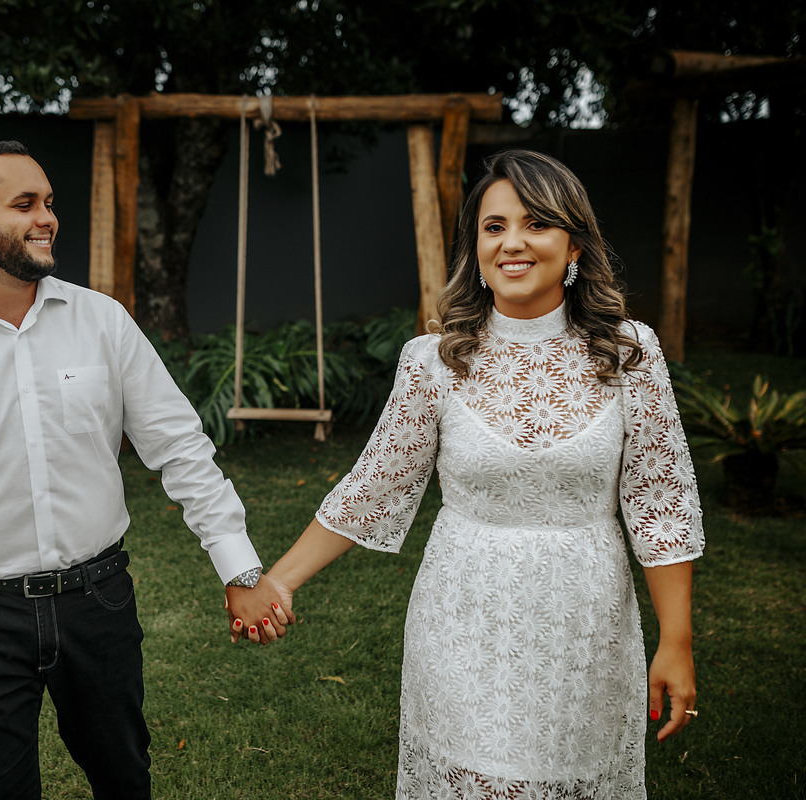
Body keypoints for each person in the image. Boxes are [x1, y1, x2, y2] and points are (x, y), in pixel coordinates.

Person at [228, 149, 704, 798]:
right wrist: (277, 582)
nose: (513, 242)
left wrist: (675, 640)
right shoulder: (434, 361)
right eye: (494, 226)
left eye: (537, 224)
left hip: (585, 625)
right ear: (474, 249)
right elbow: (375, 487)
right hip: (462, 621)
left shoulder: (629, 354)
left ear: (575, 249)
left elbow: (662, 505)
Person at [0, 140, 289, 800]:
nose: (47, 217)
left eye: (49, 203)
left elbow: (178, 447)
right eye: (23, 204)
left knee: (123, 780)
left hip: (99, 601)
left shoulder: (102, 322)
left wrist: (241, 568)